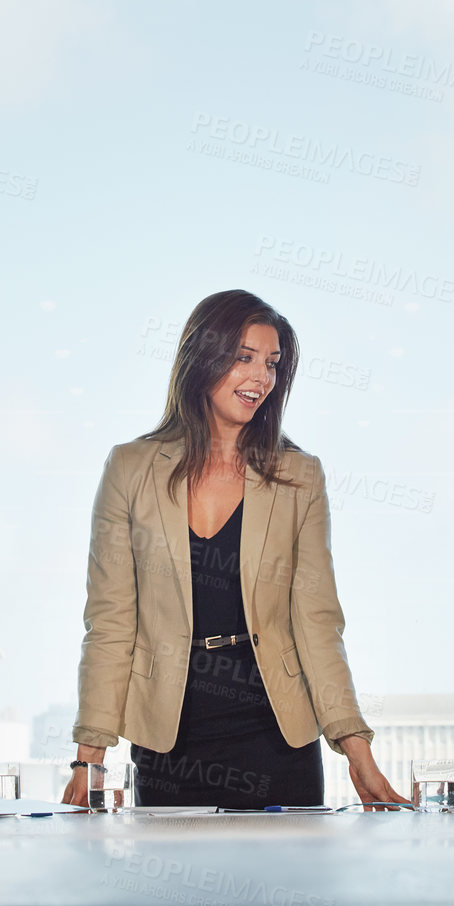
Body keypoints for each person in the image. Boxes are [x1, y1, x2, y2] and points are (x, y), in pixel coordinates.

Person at [61, 290, 402, 809]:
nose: (261, 377)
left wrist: (358, 753)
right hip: (168, 742)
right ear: (202, 358)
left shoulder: (298, 475)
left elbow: (317, 621)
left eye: (272, 363)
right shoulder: (130, 468)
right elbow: (110, 624)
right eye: (244, 358)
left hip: (276, 737)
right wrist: (90, 761)